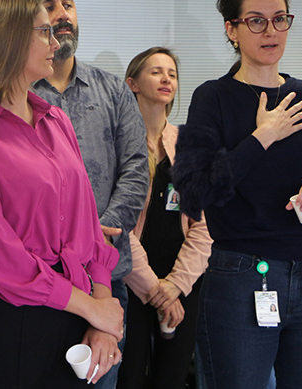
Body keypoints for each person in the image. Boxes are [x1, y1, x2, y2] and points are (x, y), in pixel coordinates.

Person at [173, 0, 302, 389]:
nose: (271, 31)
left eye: (280, 19)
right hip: (242, 274)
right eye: (256, 21)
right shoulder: (213, 98)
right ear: (232, 30)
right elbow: (195, 191)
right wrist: (262, 137)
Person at [0, 0, 123, 388]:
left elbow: (88, 229)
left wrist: (102, 312)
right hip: (11, 324)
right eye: (44, 32)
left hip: (75, 314)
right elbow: (2, 259)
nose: (55, 43)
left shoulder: (56, 120)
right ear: (8, 40)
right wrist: (92, 308)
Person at [26, 0, 150, 387]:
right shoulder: (17, 95)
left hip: (106, 276)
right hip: (40, 278)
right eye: (49, 6)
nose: (62, 14)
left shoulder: (114, 91)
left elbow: (136, 169)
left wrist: (97, 236)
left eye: (68, 4)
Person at [118, 47, 213, 389]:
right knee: (128, 375)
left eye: (172, 74)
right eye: (156, 71)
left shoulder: (188, 145)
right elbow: (117, 226)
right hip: (130, 279)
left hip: (182, 279)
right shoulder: (118, 145)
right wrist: (154, 289)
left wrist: (175, 286)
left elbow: (203, 227)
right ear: (133, 83)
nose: (166, 79)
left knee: (172, 377)